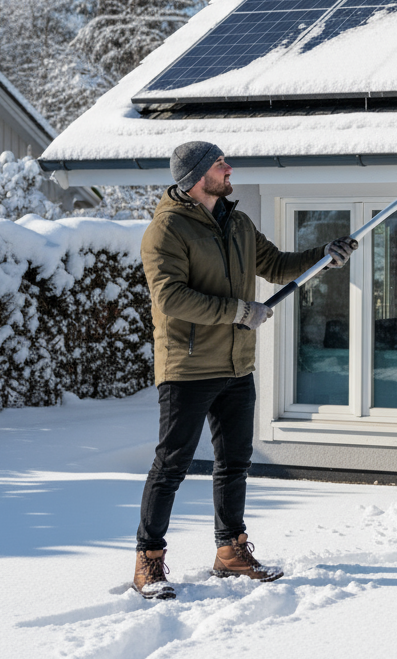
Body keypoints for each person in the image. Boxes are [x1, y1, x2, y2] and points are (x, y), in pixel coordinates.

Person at [132, 141, 356, 600]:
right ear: (196, 176)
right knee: (171, 464)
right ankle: (148, 560)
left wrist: (323, 256)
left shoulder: (237, 222)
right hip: (188, 366)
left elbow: (274, 265)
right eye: (219, 164)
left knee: (234, 462)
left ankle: (231, 551)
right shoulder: (166, 230)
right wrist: (238, 311)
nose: (229, 168)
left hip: (236, 364)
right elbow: (170, 298)